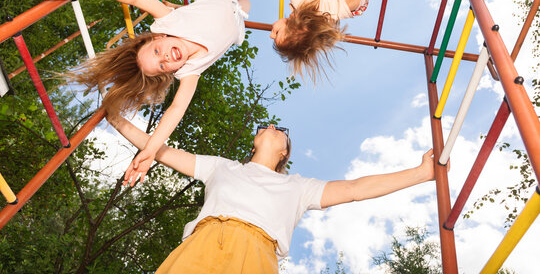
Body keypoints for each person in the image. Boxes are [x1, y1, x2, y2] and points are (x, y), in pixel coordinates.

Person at [108, 115, 435, 274]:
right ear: (255, 141)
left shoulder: (298, 187)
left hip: (256, 252)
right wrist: (115, 117)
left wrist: (420, 174)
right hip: (205, 241)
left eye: (281, 131)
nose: (273, 126)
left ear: (284, 152)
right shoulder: (222, 167)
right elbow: (162, 150)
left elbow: (354, 190)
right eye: (266, 125)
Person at [35, 0, 251, 174]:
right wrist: (150, 150)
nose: (166, 58)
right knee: (244, 6)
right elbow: (176, 109)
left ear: (157, 37)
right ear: (168, 73)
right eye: (162, 65)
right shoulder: (189, 71)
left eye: (158, 52)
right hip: (235, 19)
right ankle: (194, 5)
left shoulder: (169, 21)